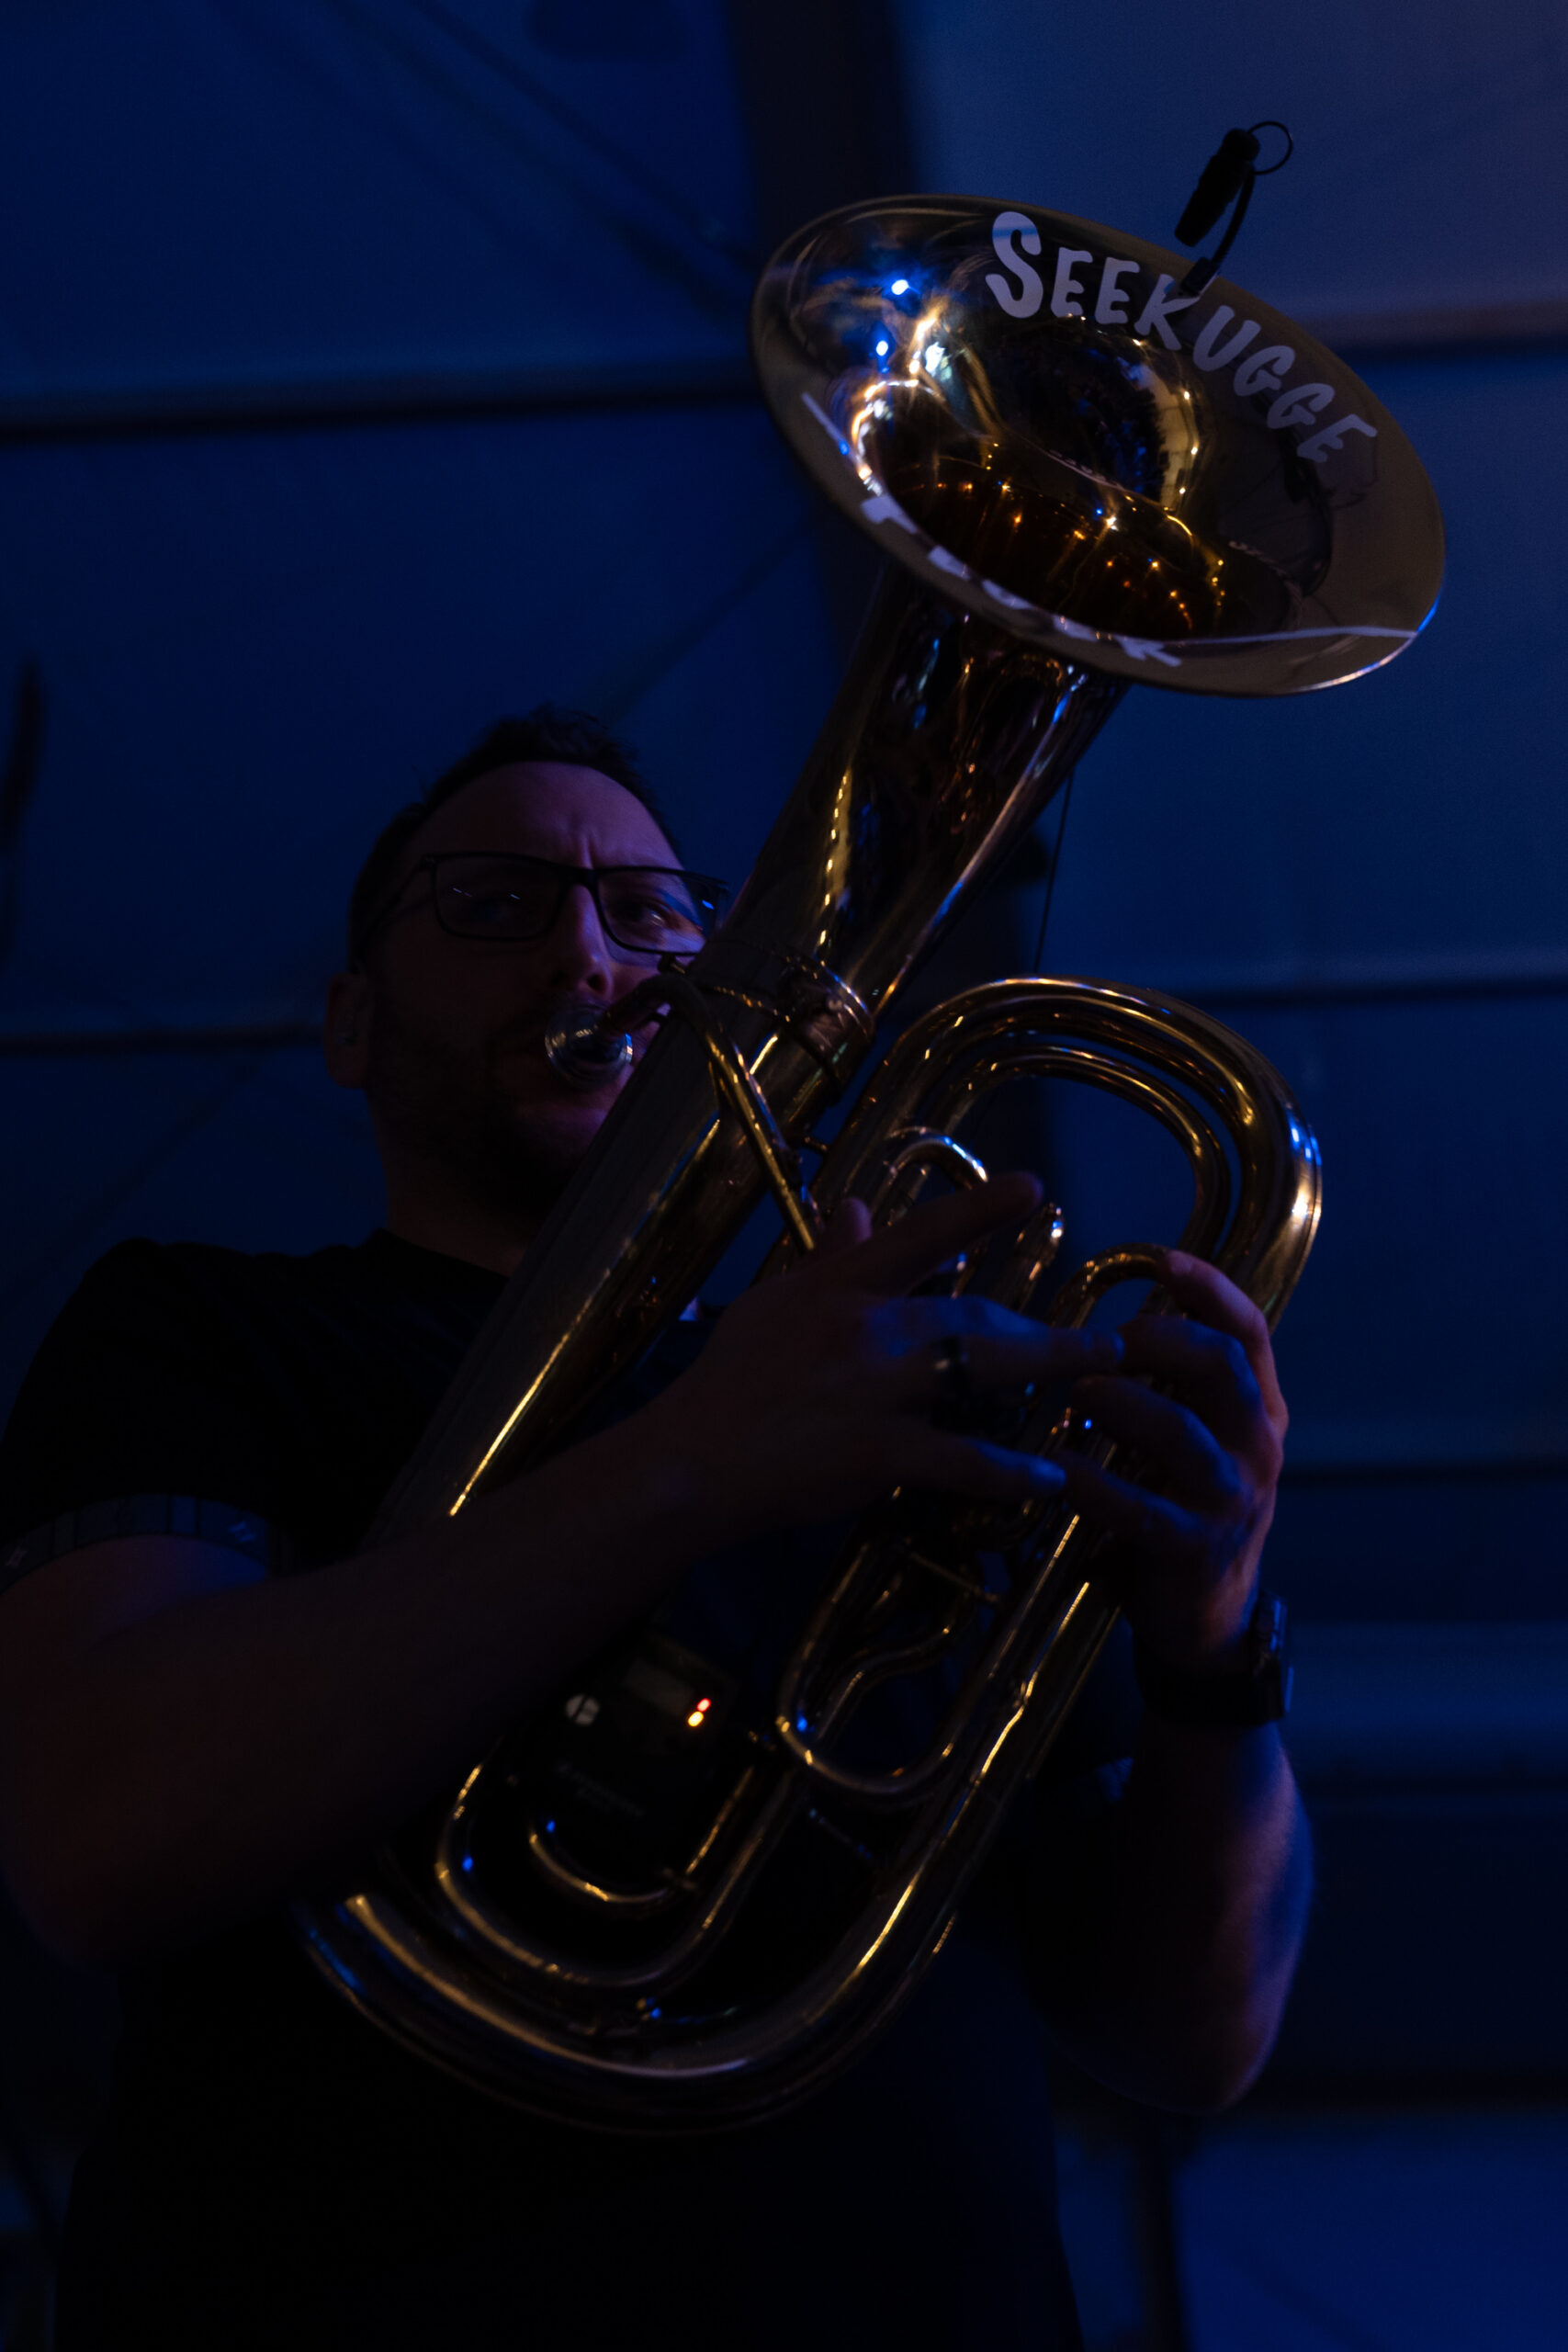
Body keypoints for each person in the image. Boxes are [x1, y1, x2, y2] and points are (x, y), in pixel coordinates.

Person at [0, 707, 1310, 2350]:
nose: (589, 957)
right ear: (352, 1022)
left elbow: (1194, 2040)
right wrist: (693, 1455)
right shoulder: (201, 1330)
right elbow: (101, 1837)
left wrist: (1212, 1650)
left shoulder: (912, 1391)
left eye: (650, 912)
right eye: (495, 904)